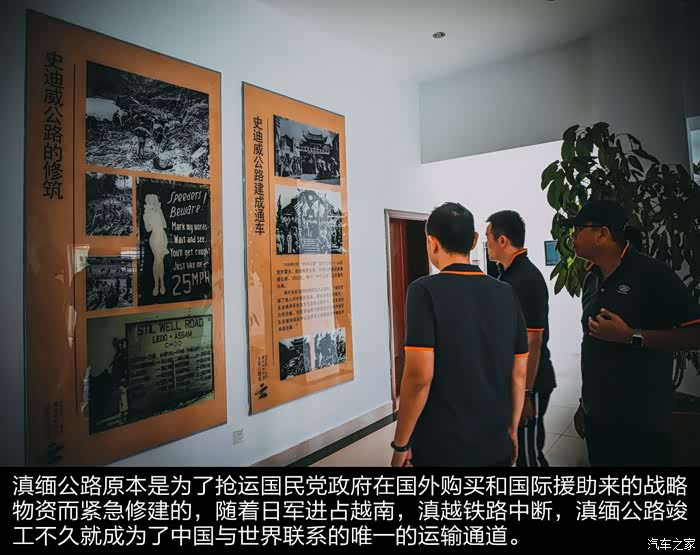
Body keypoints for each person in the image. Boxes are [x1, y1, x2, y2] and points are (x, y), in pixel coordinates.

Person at [563, 200, 700, 466]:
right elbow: (593, 348)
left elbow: (695, 334)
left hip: (642, 421)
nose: (572, 237)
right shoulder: (591, 279)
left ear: (602, 233)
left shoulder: (653, 274)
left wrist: (631, 336)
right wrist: (584, 404)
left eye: (578, 229)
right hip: (598, 418)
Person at [391, 202, 529, 467]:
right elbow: (519, 372)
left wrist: (401, 445)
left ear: (432, 242)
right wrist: (512, 429)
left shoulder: (423, 291)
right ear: (475, 240)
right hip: (495, 441)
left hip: (441, 445)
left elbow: (419, 377)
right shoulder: (505, 292)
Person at [486, 210, 556, 467]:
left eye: (488, 237)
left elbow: (533, 341)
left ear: (502, 240)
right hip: (516, 381)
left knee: (528, 457)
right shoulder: (508, 275)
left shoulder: (525, 278)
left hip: (530, 384)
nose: (487, 244)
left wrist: (525, 393)